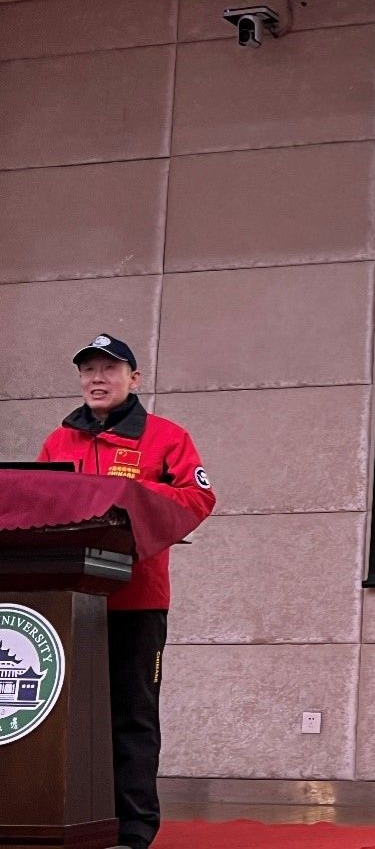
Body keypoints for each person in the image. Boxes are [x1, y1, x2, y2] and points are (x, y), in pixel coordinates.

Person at [37, 334, 215, 849]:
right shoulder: (58, 441)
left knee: (132, 716)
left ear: (134, 379)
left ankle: (133, 832)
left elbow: (198, 499)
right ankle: (71, 821)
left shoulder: (167, 437)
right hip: (66, 602)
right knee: (67, 718)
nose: (97, 379)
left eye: (109, 369)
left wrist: (126, 493)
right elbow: (38, 503)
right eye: (88, 370)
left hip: (137, 601)